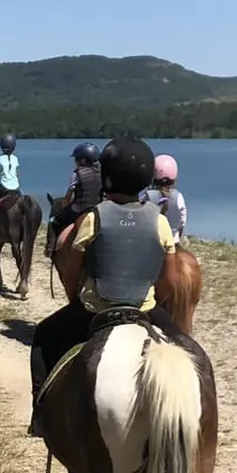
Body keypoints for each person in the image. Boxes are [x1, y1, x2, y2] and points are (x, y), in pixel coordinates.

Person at [27, 135, 184, 438]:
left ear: (108, 177)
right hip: (144, 310)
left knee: (44, 337)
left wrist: (76, 299)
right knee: (190, 352)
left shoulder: (93, 217)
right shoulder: (159, 221)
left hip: (96, 310)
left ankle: (41, 415)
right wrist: (153, 300)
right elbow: (170, 280)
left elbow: (71, 270)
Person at [48, 142, 103, 246]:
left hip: (80, 209)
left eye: (76, 159)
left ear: (82, 160)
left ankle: (50, 248)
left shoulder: (77, 173)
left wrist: (64, 207)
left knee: (53, 221)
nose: (75, 162)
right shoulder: (102, 173)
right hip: (98, 210)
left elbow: (69, 195)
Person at [142, 153, 188, 241]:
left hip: (152, 242)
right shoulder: (178, 196)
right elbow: (182, 223)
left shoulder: (147, 196)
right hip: (173, 241)